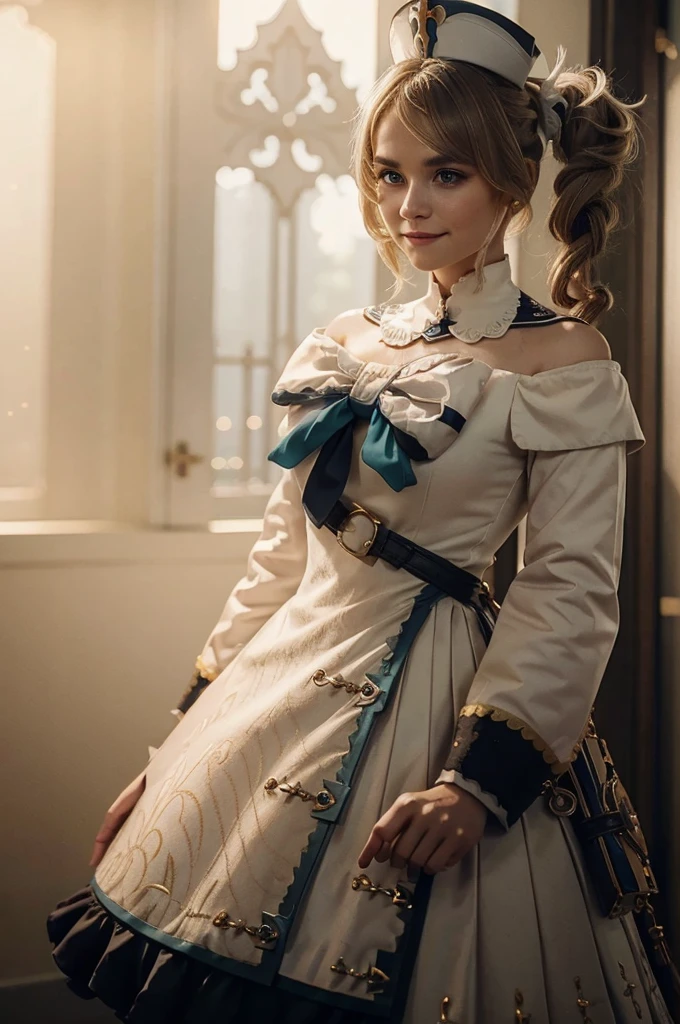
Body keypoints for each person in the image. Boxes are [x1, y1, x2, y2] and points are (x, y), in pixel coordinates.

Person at [46, 2, 675, 1021]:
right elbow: (279, 555)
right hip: (277, 687)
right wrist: (175, 752)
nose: (406, 204)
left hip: (438, 704)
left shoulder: (563, 360)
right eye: (387, 172)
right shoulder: (348, 340)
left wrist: (475, 785)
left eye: (444, 173)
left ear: (511, 182)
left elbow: (566, 589)